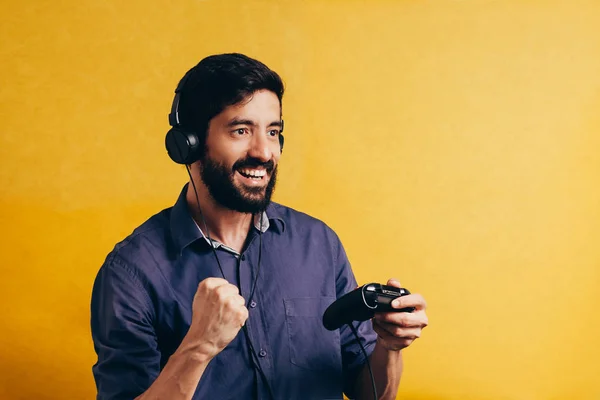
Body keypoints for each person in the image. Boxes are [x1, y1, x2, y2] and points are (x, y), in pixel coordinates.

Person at [90, 53, 429, 400]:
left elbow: (369, 393)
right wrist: (198, 348)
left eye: (273, 132)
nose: (264, 152)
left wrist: (389, 347)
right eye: (241, 130)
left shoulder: (319, 244)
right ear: (188, 143)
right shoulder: (132, 272)